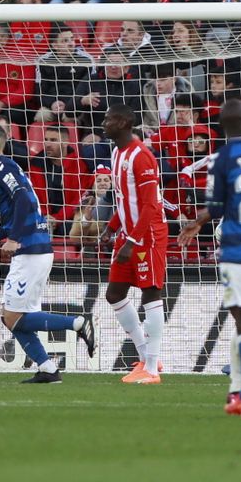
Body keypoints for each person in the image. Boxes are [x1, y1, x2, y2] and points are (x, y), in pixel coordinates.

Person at [0, 123, 96, 384]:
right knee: (13, 318)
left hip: (31, 250)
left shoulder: (2, 167)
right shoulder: (5, 168)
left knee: (11, 316)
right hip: (35, 248)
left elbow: (24, 200)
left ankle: (78, 323)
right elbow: (16, 215)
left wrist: (13, 239)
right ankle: (48, 369)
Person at [177, 100, 241, 420]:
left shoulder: (223, 157)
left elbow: (217, 206)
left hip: (239, 248)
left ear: (221, 124)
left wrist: (198, 221)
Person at [100, 104, 169, 385]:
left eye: (108, 118)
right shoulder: (117, 153)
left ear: (123, 122)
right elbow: (125, 199)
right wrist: (111, 226)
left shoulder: (142, 156)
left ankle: (152, 369)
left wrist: (131, 241)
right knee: (114, 294)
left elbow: (150, 205)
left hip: (148, 234)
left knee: (151, 293)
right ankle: (145, 356)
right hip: (128, 233)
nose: (103, 123)